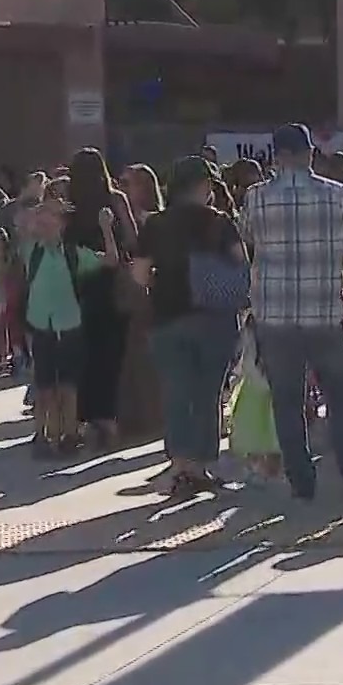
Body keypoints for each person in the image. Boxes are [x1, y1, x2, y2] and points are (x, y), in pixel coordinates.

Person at [237, 126, 343, 501]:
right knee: (341, 396)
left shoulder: (257, 197)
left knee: (287, 400)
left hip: (275, 315)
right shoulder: (338, 195)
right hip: (325, 311)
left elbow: (246, 239)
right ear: (309, 154)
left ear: (277, 156)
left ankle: (302, 480)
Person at [134, 156, 247, 495]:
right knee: (208, 393)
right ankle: (200, 466)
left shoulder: (156, 224)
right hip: (214, 317)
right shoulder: (219, 222)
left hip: (167, 316)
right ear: (203, 186)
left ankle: (180, 465)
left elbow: (140, 273)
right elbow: (241, 263)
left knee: (176, 392)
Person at [21, 197, 117, 456]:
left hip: (69, 323)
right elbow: (22, 227)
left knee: (67, 385)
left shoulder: (75, 254)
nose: (45, 221)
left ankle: (69, 434)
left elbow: (110, 260)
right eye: (43, 217)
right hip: (40, 325)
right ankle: (44, 435)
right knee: (44, 387)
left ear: (62, 223)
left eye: (52, 217)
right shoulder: (32, 250)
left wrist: (106, 228)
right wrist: (35, 212)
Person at [62, 147, 137, 447]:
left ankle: (83, 417)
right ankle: (108, 418)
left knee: (82, 353)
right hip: (111, 285)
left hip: (77, 285)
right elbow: (132, 237)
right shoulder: (115, 200)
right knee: (111, 354)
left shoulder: (70, 207)